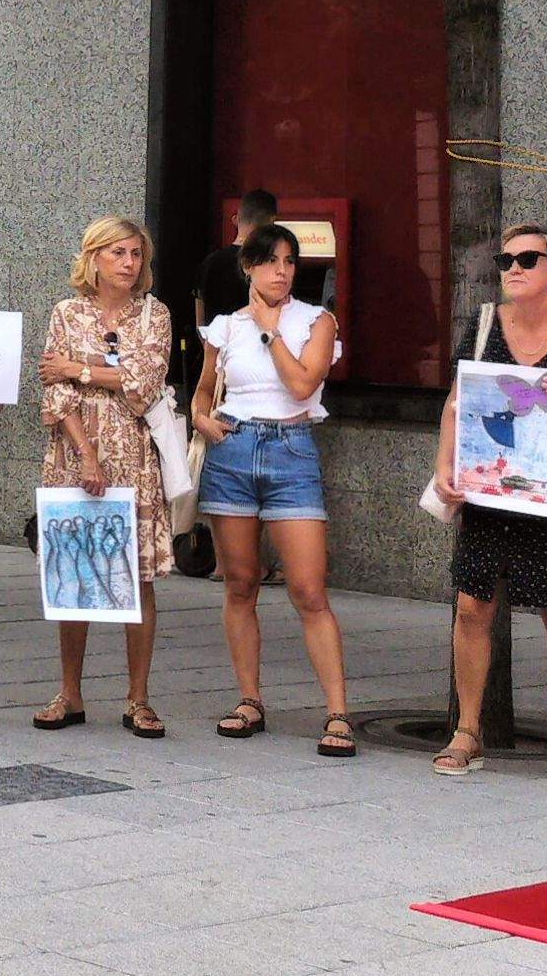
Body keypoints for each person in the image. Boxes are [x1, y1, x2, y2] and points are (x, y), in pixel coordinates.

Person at [430, 224, 547, 786]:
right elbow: (458, 400)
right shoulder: (487, 322)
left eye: (528, 259)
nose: (513, 268)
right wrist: (444, 466)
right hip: (490, 489)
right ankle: (467, 731)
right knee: (473, 607)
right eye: (505, 259)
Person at [191, 219, 354, 751]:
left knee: (309, 589)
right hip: (233, 448)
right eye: (269, 262)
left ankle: (337, 712)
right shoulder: (224, 326)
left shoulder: (316, 320)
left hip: (291, 448)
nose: (281, 272)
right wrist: (201, 419)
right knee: (239, 583)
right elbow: (204, 389)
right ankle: (249, 698)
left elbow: (304, 382)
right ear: (248, 267)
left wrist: (270, 331)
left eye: (288, 262)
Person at [35, 215, 173, 737]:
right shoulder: (66, 313)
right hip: (75, 456)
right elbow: (53, 390)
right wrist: (86, 454)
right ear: (93, 258)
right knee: (76, 569)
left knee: (137, 575)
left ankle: (138, 698)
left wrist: (81, 367)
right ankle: (69, 693)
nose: (129, 263)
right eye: (117, 253)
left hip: (135, 454)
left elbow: (145, 382)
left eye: (136, 254)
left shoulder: (154, 314)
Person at [196, 190, 280, 328]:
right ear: (271, 223)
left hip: (217, 347)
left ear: (236, 219)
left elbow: (200, 323)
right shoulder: (271, 266)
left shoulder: (209, 263)